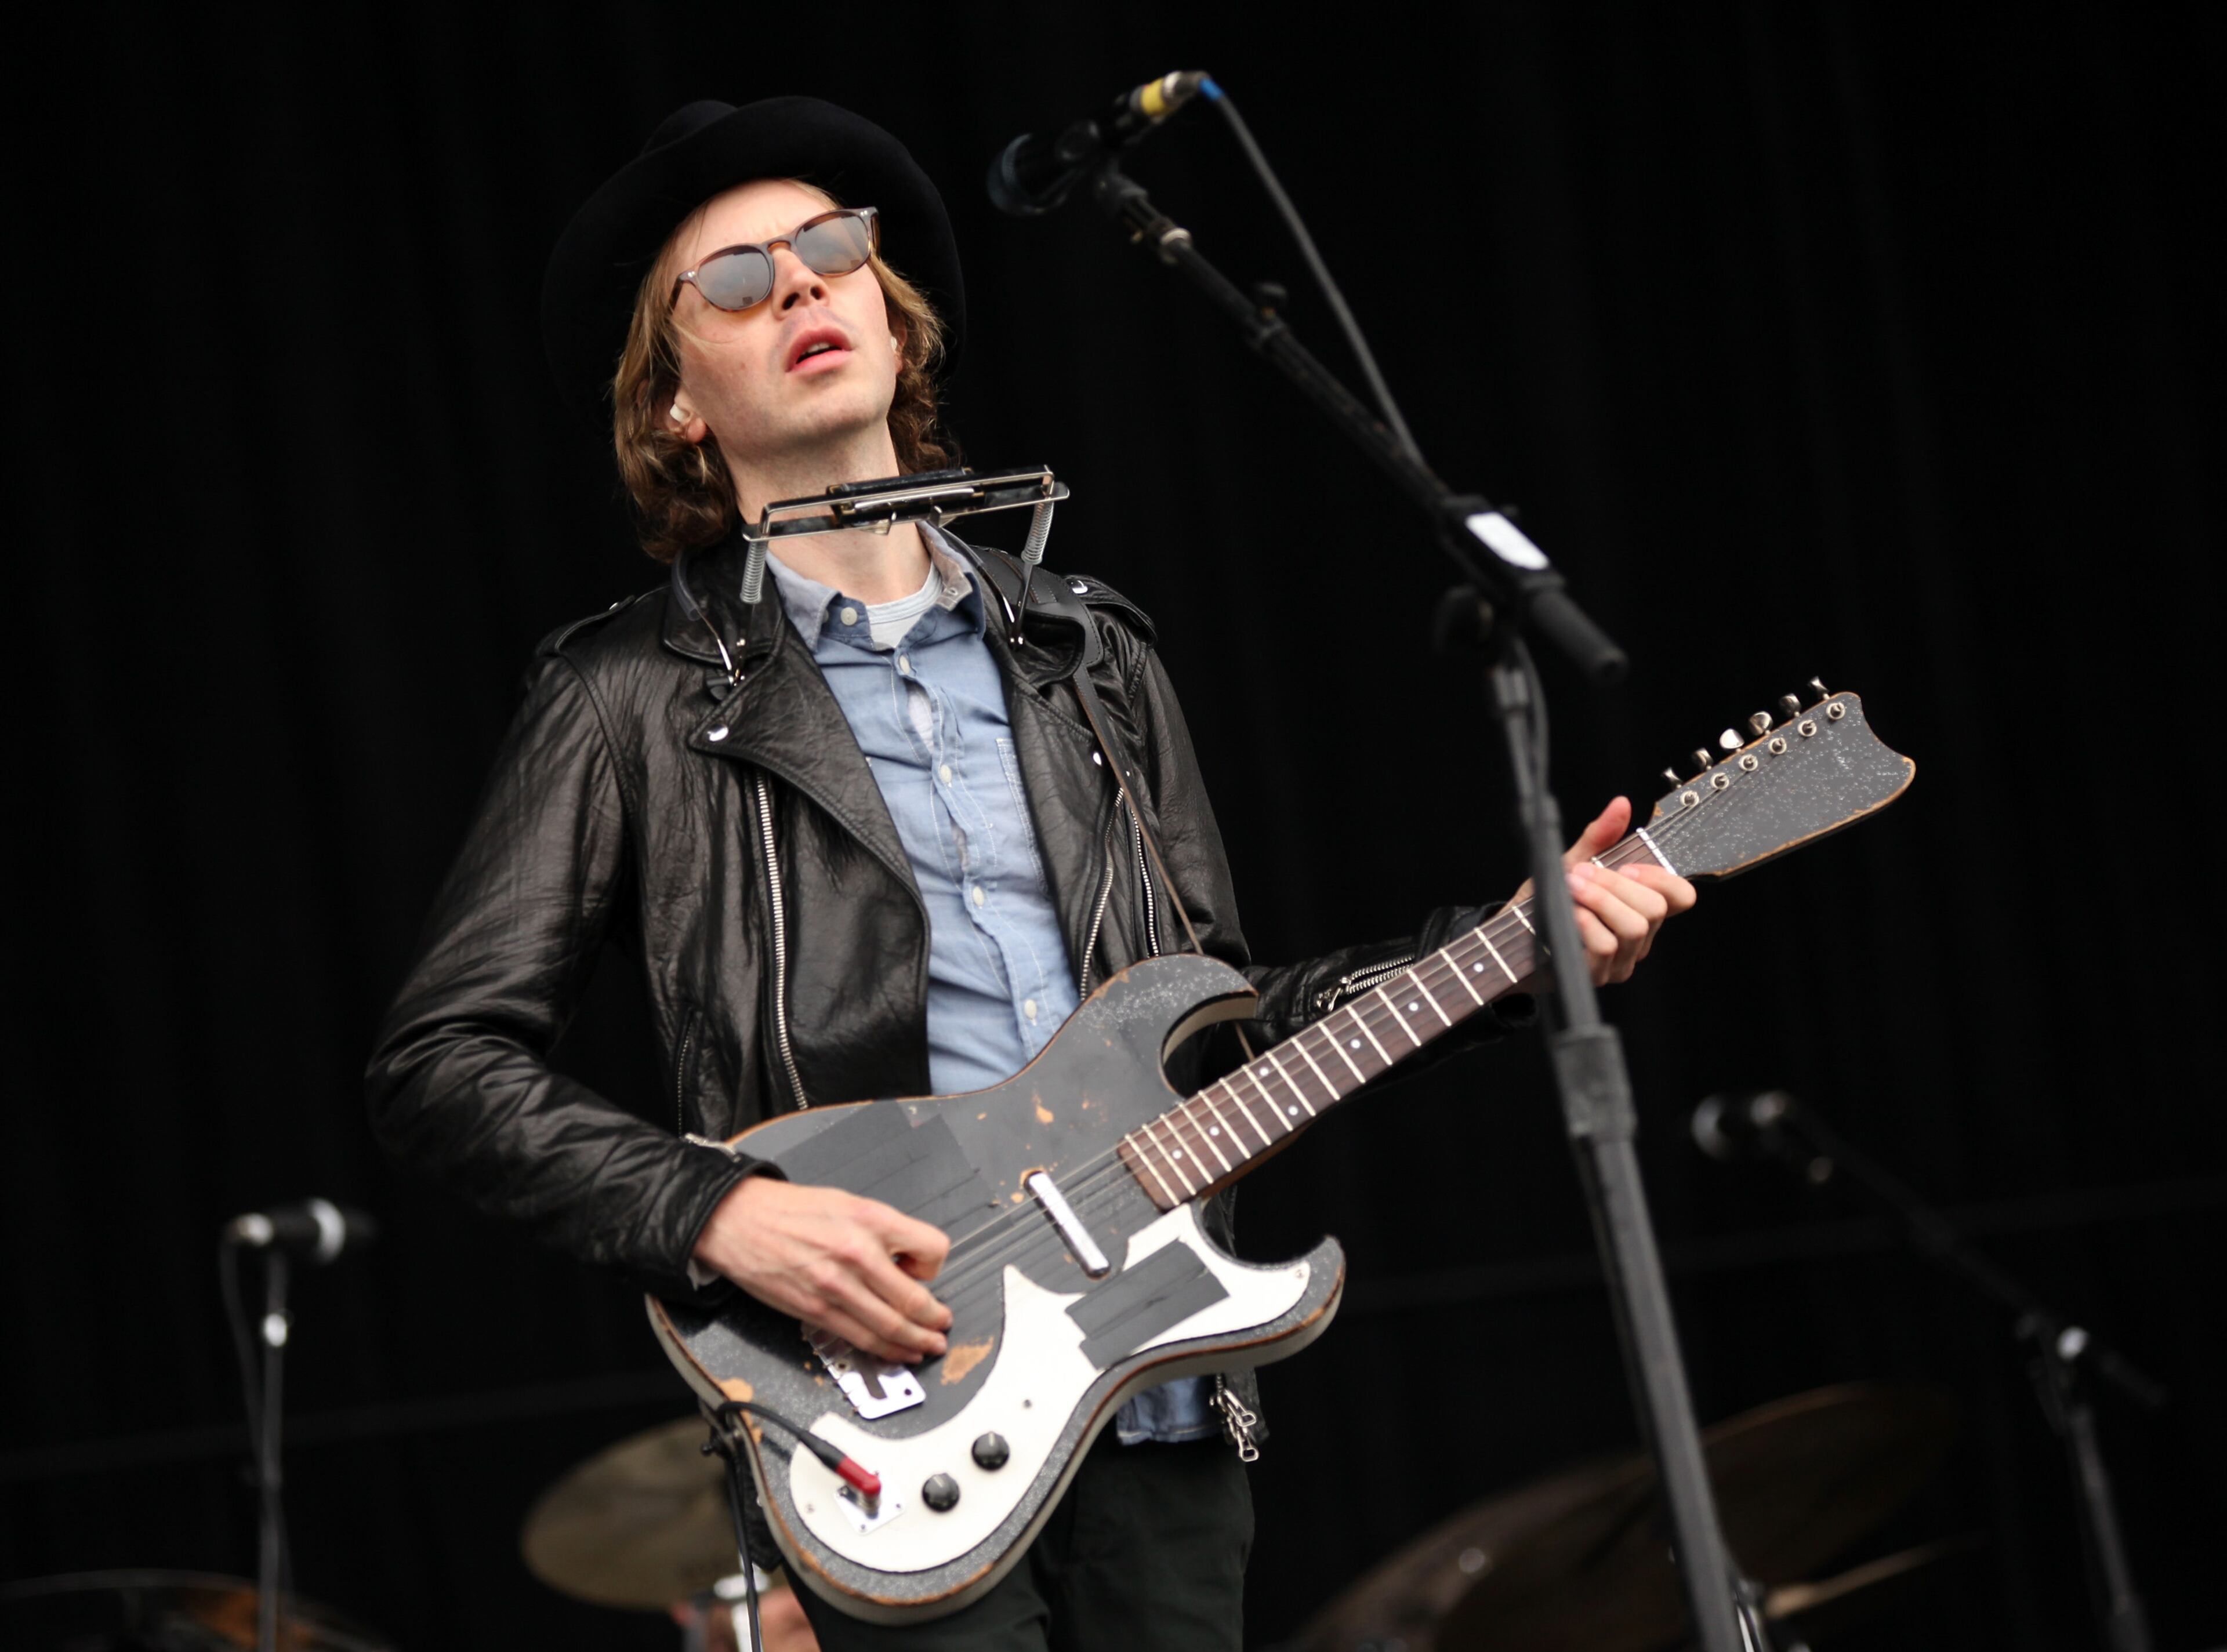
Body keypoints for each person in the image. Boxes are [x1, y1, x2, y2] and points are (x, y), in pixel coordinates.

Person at [365, 97, 1695, 1652]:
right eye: (734, 282)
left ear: (895, 317)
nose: (800, 288)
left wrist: (1508, 949)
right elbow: (438, 1058)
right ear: (673, 407)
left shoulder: (1089, 650)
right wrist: (717, 1211)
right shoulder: (630, 692)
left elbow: (1224, 1023)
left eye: (832, 253)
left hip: (1159, 1390)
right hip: (887, 1400)